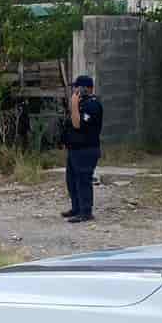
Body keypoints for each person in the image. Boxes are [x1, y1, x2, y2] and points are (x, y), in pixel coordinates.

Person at [62, 74, 103, 223]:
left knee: (83, 180)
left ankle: (86, 212)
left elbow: (78, 125)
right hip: (75, 149)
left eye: (77, 88)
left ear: (86, 89)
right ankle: (76, 208)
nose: (74, 91)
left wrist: (73, 105)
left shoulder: (92, 105)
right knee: (72, 180)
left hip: (86, 150)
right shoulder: (81, 104)